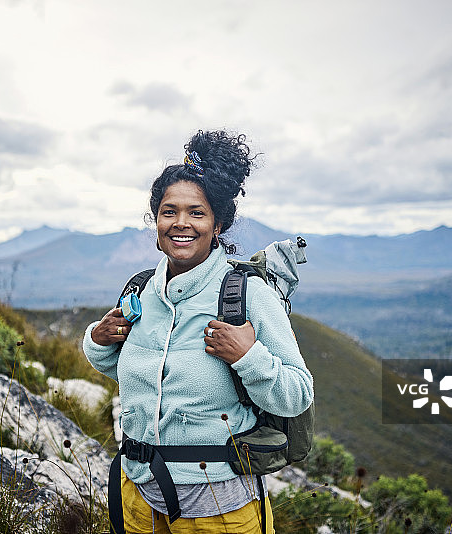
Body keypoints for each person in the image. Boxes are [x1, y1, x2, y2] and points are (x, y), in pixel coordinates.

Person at [83, 130, 313, 534]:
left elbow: (298, 394)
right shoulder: (141, 291)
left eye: (196, 212)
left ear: (218, 223)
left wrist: (248, 356)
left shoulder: (246, 293)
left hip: (218, 508)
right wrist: (98, 343)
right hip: (138, 496)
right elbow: (142, 380)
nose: (181, 223)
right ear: (155, 221)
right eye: (169, 211)